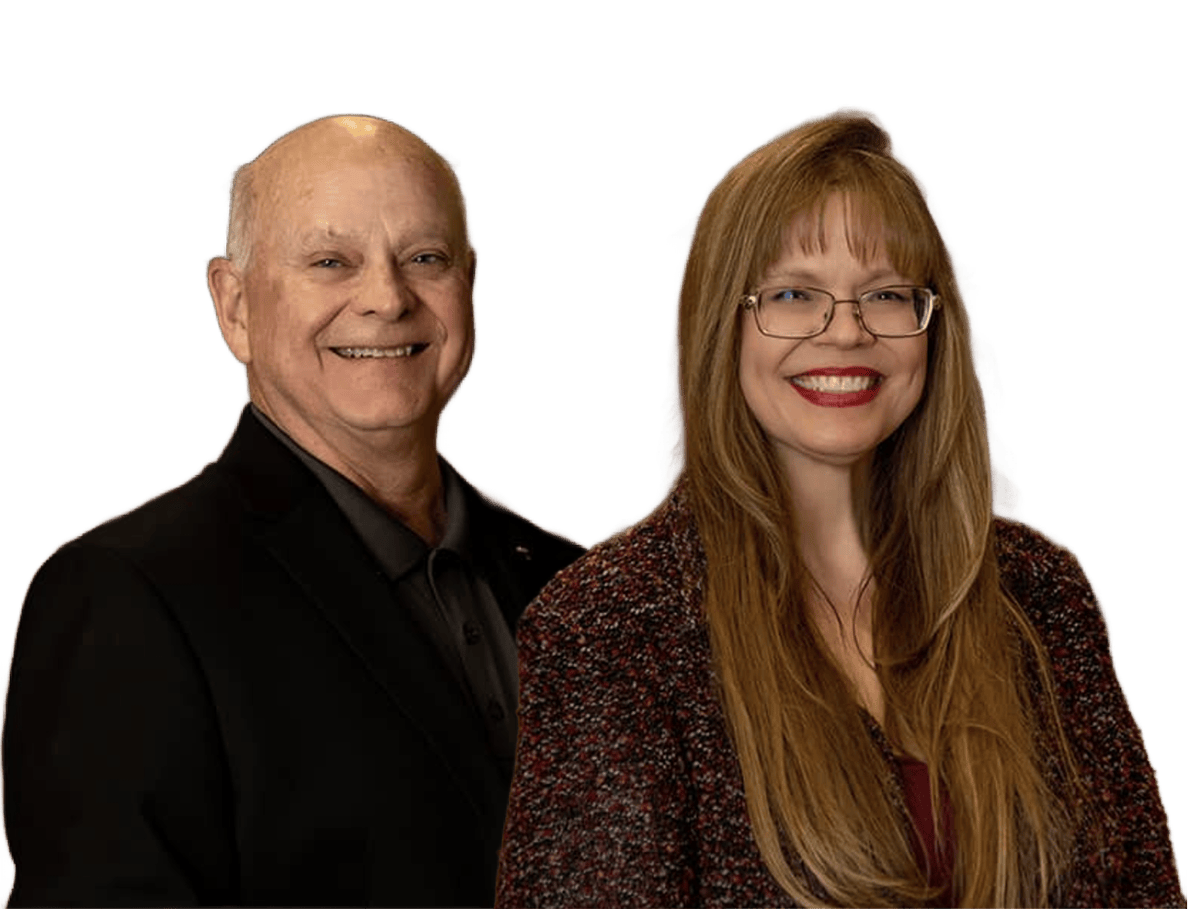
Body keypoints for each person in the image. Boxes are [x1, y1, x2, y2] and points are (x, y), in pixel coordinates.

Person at [495, 106, 1183, 908]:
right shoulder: (612, 625)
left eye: (885, 294)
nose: (846, 332)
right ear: (725, 324)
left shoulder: (1040, 594)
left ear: (932, 328)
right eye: (794, 293)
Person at [2, 113, 582, 907]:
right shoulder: (128, 595)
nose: (387, 298)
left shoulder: (570, 583)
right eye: (330, 262)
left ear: (470, 286)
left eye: (426, 258)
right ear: (234, 305)